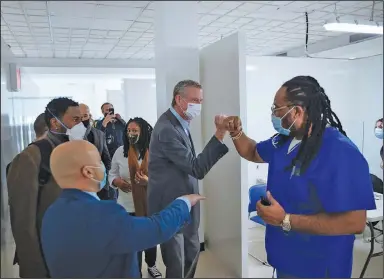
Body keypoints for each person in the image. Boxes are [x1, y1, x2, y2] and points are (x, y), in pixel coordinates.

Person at [220, 76, 376, 278]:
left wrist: (285, 219)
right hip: (286, 257)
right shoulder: (286, 139)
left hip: (317, 265)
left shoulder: (340, 151)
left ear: (297, 111)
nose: (273, 114)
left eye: (277, 109)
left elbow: (354, 222)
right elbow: (252, 152)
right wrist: (236, 132)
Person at [41, 140, 205, 278]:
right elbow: (155, 229)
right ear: (88, 172)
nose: (103, 166)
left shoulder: (52, 213)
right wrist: (183, 202)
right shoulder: (103, 214)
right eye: (99, 162)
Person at [148, 80, 229, 278]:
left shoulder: (180, 122)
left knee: (191, 252)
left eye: (200, 101)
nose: (198, 106)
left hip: (186, 200)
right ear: (179, 99)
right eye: (194, 100)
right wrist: (219, 133)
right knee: (177, 263)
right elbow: (196, 167)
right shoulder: (167, 128)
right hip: (171, 204)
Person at [6, 97, 82, 278]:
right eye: (75, 120)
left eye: (83, 119)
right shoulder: (32, 157)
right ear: (55, 123)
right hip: (47, 258)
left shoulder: (75, 153)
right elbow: (23, 223)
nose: (82, 124)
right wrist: (35, 270)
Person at [109, 117, 162, 278]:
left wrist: (148, 181)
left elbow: (162, 178)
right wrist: (117, 182)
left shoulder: (155, 152)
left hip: (149, 204)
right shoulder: (120, 152)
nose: (131, 134)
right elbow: (112, 174)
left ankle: (151, 265)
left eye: (135, 131)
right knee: (133, 242)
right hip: (126, 206)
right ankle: (135, 271)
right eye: (129, 131)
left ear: (144, 133)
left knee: (150, 238)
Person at [80, 103, 116, 201]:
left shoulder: (98, 134)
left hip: (102, 186)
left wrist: (106, 181)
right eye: (79, 117)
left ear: (89, 116)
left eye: (85, 116)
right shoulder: (70, 136)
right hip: (81, 188)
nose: (83, 119)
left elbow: (106, 159)